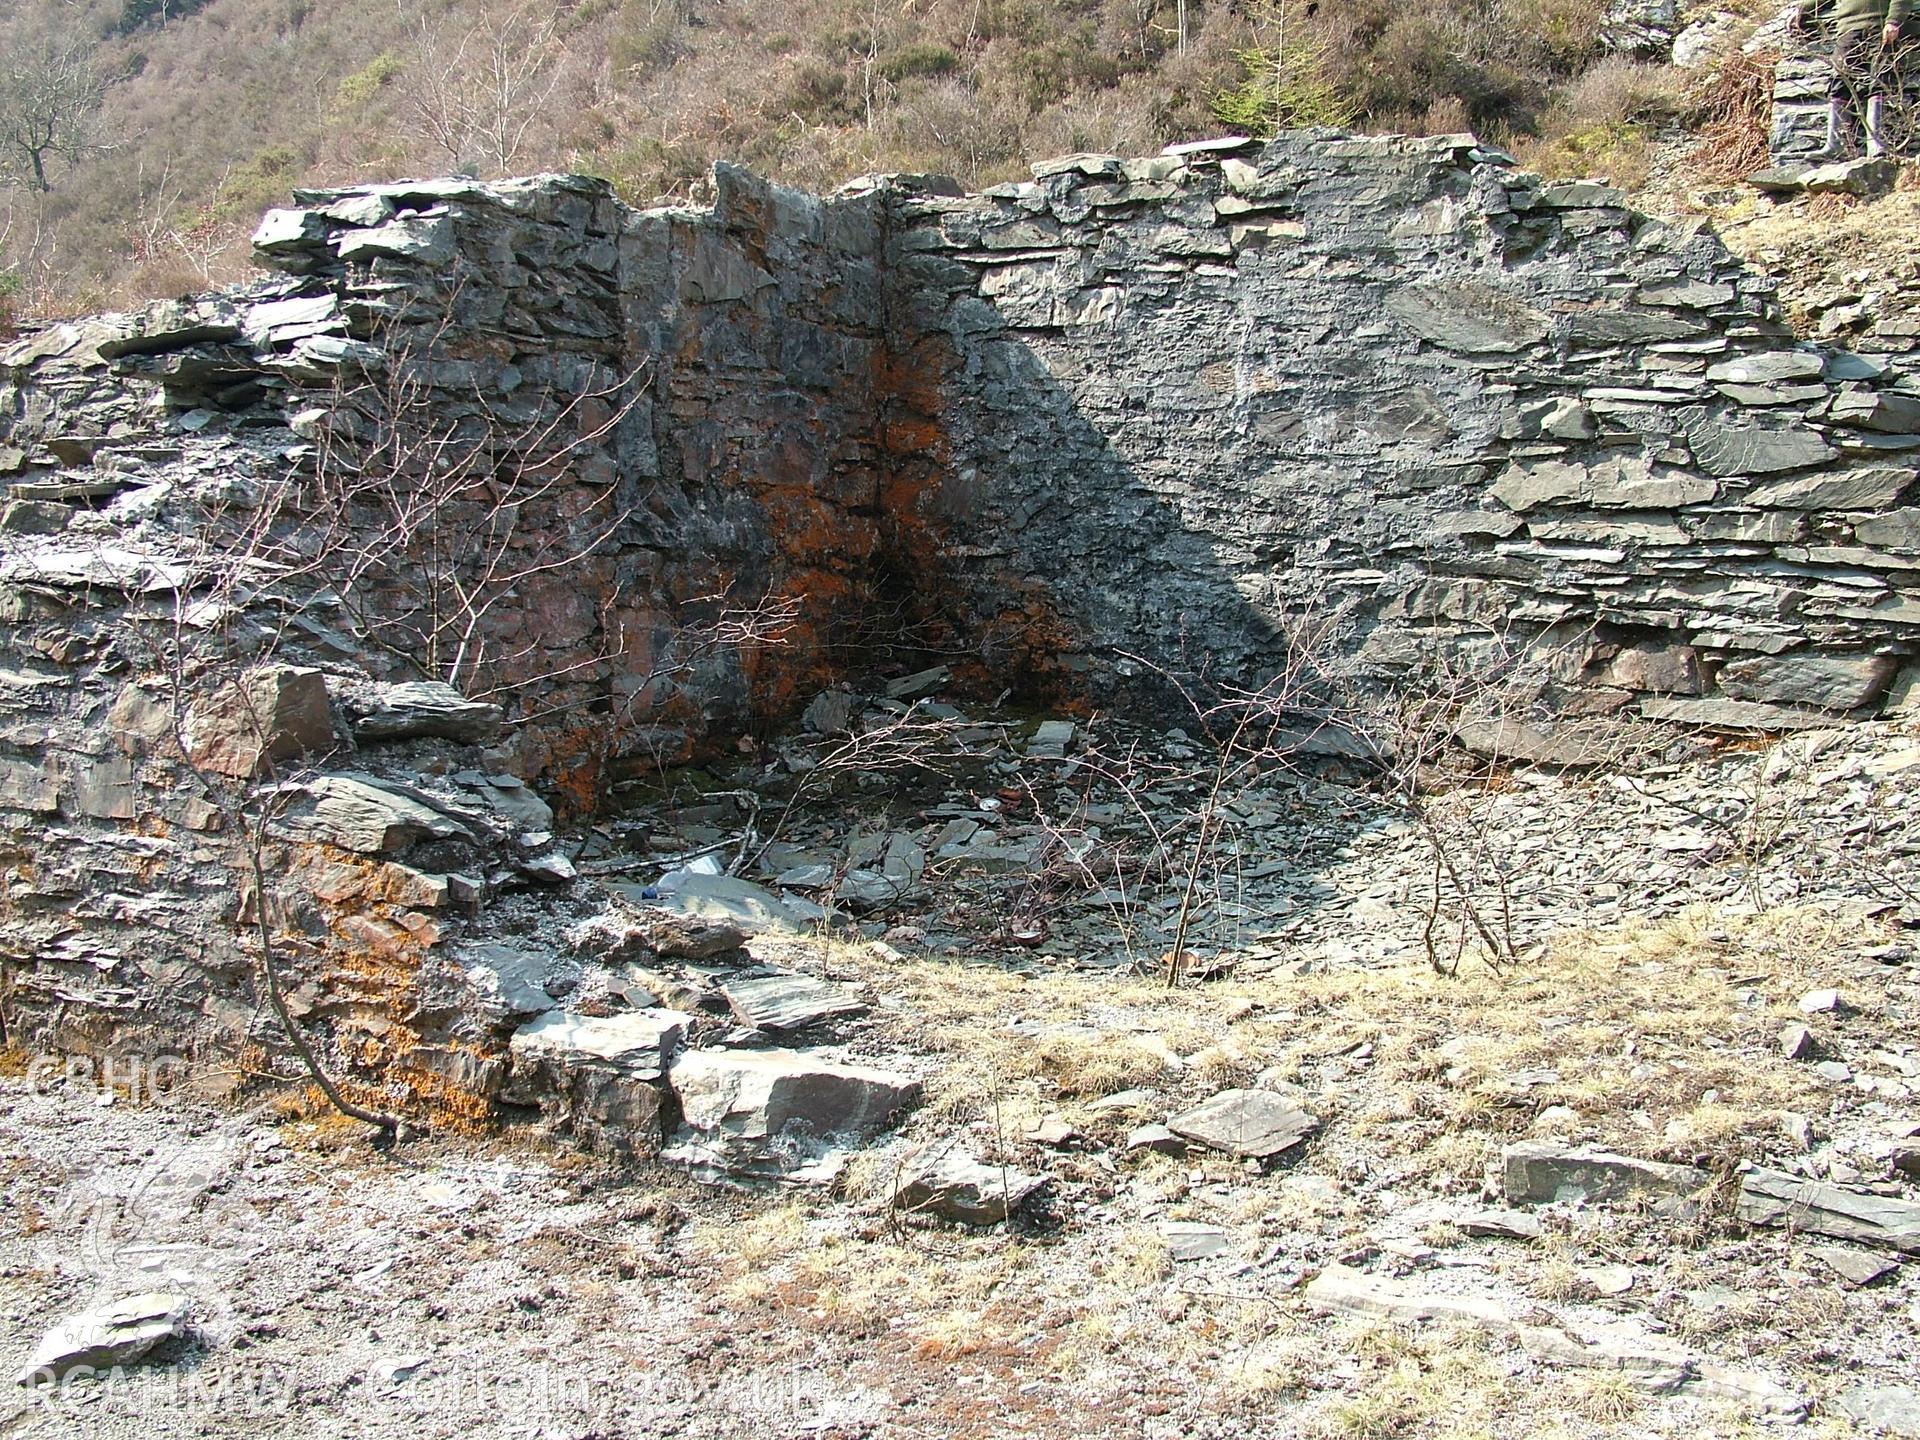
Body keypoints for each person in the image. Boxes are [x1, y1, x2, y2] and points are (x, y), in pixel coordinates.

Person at [1795, 0, 1915, 157]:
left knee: (1879, 80)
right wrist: (1801, 12)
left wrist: (1893, 21)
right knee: (1839, 82)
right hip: (1847, 29)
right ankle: (1836, 145)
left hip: (1879, 25)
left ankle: (1876, 143)